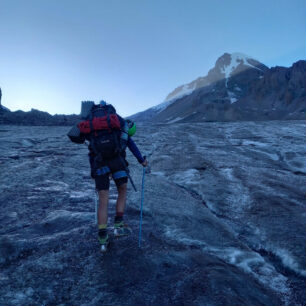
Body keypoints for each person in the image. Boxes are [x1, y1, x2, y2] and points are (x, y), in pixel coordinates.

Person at [68, 100, 147, 251]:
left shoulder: (92, 123)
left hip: (99, 163)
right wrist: (142, 161)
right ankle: (118, 226)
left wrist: (93, 171)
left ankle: (103, 238)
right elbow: (131, 145)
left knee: (103, 199)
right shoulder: (119, 124)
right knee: (122, 190)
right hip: (117, 162)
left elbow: (90, 149)